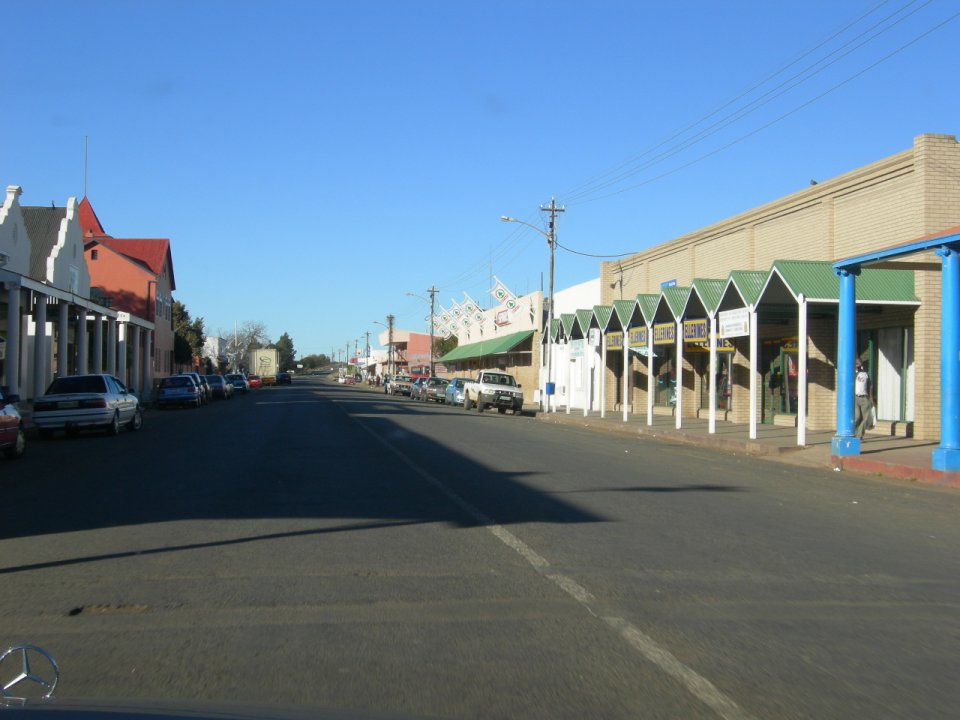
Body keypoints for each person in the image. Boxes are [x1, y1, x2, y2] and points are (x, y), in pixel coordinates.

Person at [854, 359, 873, 439]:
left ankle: (859, 435)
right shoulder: (853, 373)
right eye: (856, 363)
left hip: (865, 397)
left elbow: (870, 386)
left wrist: (871, 398)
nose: (857, 364)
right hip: (855, 397)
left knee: (866, 417)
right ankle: (852, 432)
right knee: (857, 416)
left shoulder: (866, 374)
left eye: (859, 363)